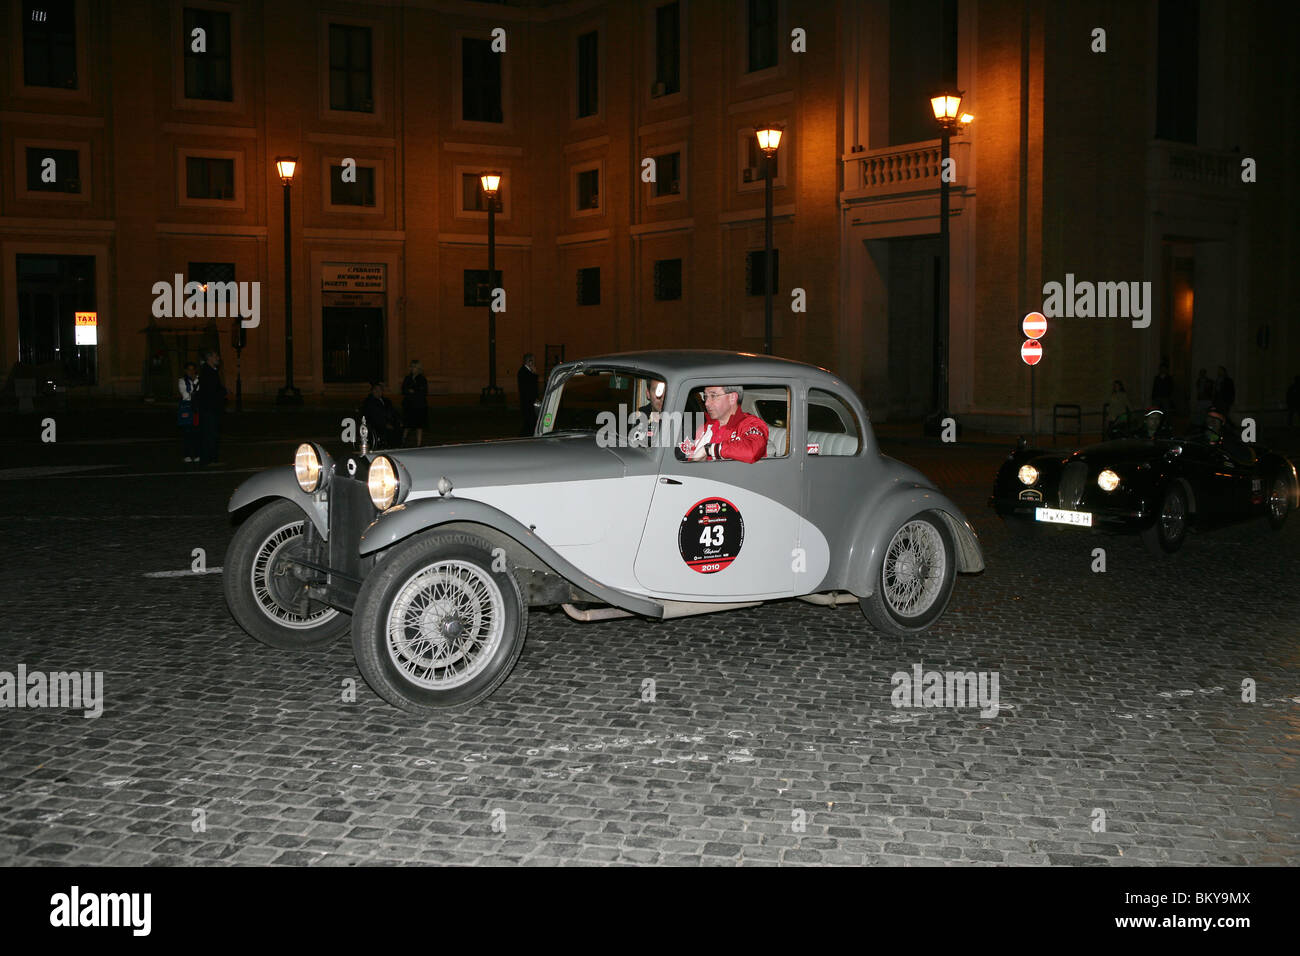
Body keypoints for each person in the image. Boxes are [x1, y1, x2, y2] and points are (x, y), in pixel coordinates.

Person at [682, 385, 768, 462]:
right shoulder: (706, 427)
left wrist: (709, 449)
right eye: (706, 396)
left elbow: (752, 451)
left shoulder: (751, 424)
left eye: (713, 396)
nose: (707, 403)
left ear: (732, 398)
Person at [195, 350, 227, 465]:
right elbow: (211, 391)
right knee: (210, 434)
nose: (218, 358)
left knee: (210, 433)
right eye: (215, 356)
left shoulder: (209, 371)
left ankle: (209, 458)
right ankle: (209, 459)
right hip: (210, 409)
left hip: (209, 408)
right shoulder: (208, 372)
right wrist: (223, 392)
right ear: (209, 358)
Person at [362, 381, 401, 449]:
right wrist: (385, 424)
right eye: (376, 390)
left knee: (398, 427)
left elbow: (393, 411)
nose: (379, 392)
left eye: (380, 390)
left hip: (388, 421)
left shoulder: (386, 400)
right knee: (389, 431)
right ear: (373, 391)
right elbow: (373, 416)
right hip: (377, 424)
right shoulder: (369, 402)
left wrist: (398, 420)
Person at [401, 359, 428, 447]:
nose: (412, 368)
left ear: (418, 368)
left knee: (419, 426)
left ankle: (418, 443)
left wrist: (414, 391)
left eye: (414, 367)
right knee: (407, 425)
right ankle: (402, 441)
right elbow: (404, 389)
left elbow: (423, 391)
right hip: (409, 405)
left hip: (419, 405)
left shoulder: (422, 379)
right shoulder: (408, 378)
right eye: (411, 366)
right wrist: (410, 391)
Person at [178, 361, 200, 463]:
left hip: (197, 409)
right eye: (189, 369)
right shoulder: (182, 381)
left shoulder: (199, 380)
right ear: (185, 371)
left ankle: (196, 454)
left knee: (196, 432)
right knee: (187, 432)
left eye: (193, 369)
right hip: (187, 408)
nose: (191, 372)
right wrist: (195, 394)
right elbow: (185, 395)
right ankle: (187, 454)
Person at [517, 353, 539, 436]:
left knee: (530, 421)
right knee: (529, 421)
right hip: (527, 401)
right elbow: (531, 386)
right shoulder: (523, 372)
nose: (534, 363)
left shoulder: (526, 371)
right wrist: (535, 374)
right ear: (529, 362)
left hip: (529, 401)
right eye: (533, 361)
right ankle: (526, 436)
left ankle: (527, 435)